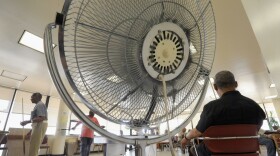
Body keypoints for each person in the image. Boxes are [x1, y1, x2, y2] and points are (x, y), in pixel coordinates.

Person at [184, 70, 266, 156]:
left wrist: (186, 138)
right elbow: (258, 127)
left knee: (194, 149)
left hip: (216, 152)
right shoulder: (254, 106)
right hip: (249, 151)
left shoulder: (211, 107)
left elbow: (197, 132)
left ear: (215, 87)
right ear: (236, 84)